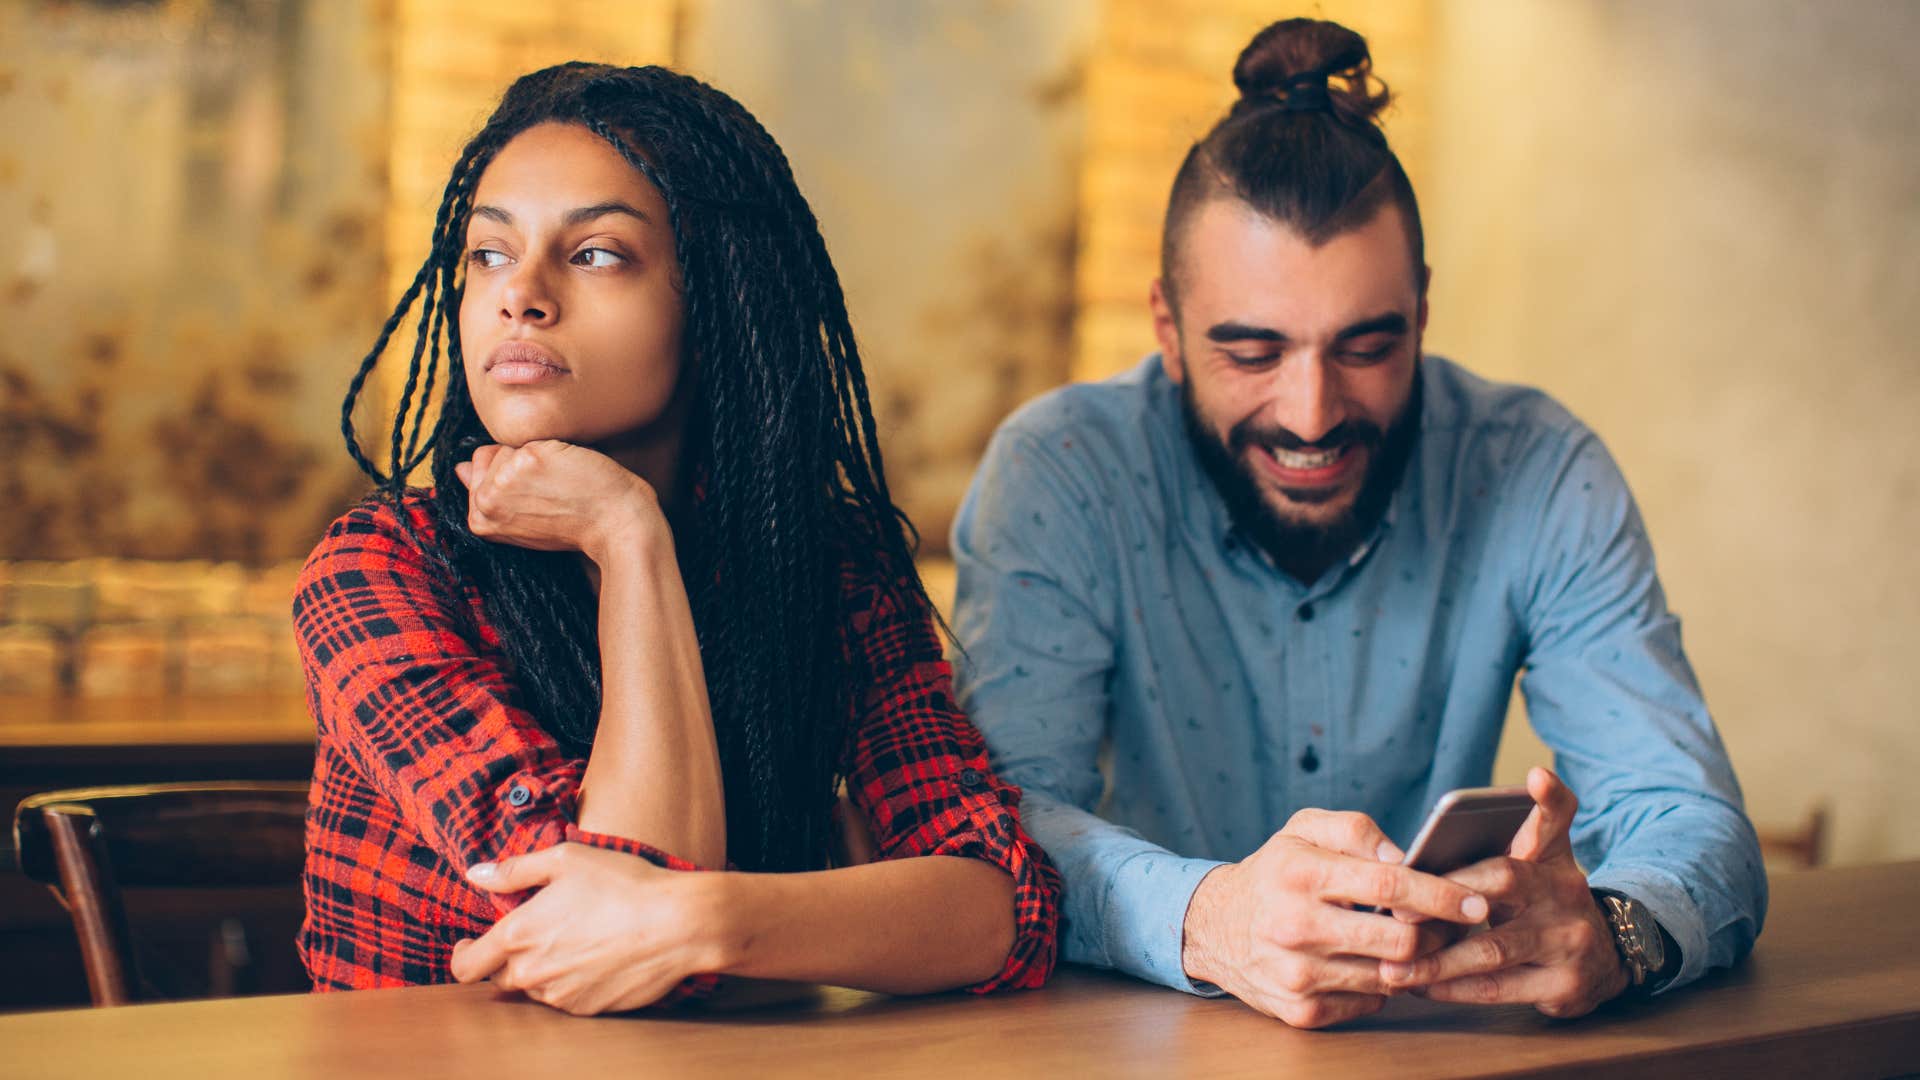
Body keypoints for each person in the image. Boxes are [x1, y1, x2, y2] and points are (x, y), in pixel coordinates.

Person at [950, 19, 1764, 1029]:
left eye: (1367, 346)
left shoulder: (1540, 468)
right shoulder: (1063, 470)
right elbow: (997, 823)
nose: (1312, 413)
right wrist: (1210, 919)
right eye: (1252, 352)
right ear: (1166, 327)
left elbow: (1692, 819)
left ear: (1421, 311)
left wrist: (1615, 929)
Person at [294, 62, 1059, 1015]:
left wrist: (712, 923)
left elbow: (1001, 906)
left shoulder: (829, 564)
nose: (519, 296)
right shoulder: (379, 570)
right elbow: (607, 933)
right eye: (489, 254)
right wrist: (628, 539)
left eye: (597, 254)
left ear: (714, 306)